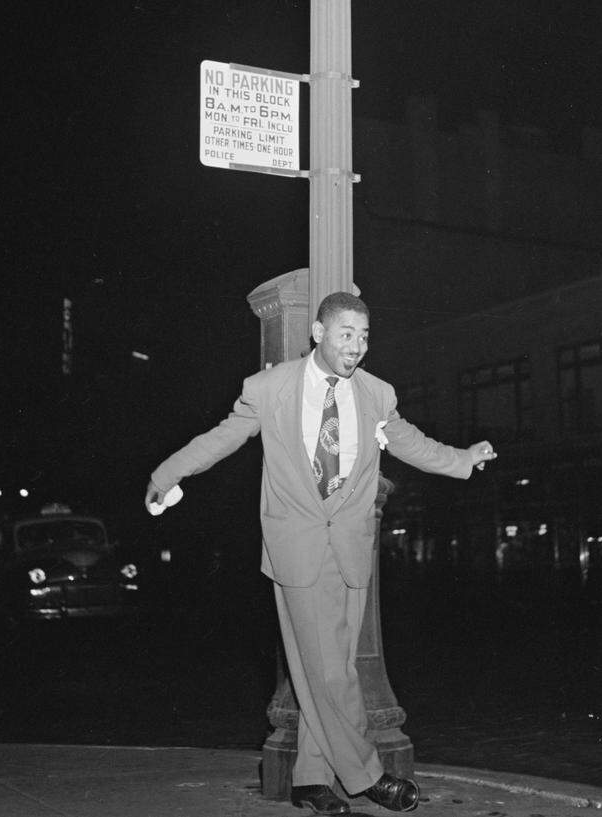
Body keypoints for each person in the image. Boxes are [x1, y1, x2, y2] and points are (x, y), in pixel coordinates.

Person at [145, 292, 497, 815]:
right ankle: (367, 774)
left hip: (352, 552)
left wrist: (462, 459)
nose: (357, 346)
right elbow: (221, 439)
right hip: (298, 550)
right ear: (317, 332)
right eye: (345, 334)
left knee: (325, 667)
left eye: (364, 336)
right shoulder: (270, 389)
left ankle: (310, 779)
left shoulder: (377, 394)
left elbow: (410, 443)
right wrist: (167, 472)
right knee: (332, 673)